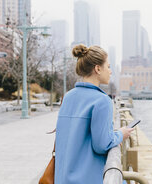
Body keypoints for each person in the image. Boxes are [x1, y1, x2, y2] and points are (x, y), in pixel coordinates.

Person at [54, 44, 134, 183]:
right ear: (98, 68)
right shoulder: (102, 100)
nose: (110, 71)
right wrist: (121, 134)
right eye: (108, 67)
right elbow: (102, 144)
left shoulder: (68, 96)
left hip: (63, 178)